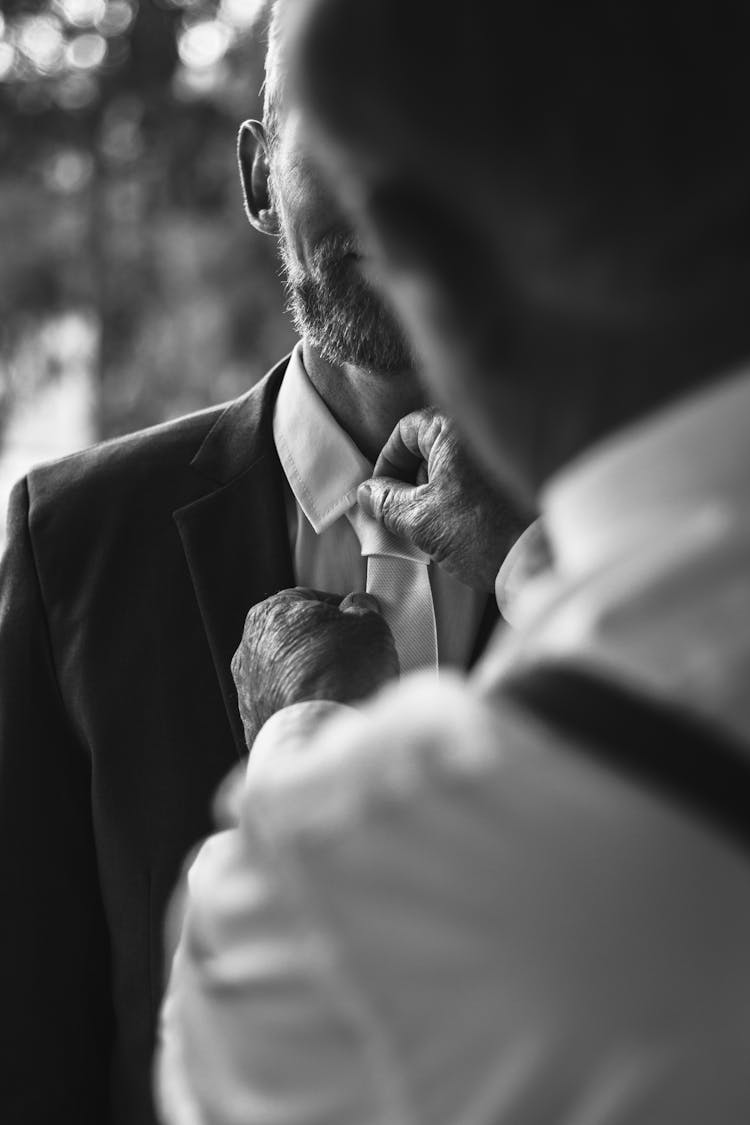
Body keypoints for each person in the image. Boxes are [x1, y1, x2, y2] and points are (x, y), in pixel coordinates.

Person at [156, 2, 750, 1123]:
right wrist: (535, 561)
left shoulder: (330, 890)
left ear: (420, 253)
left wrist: (299, 743)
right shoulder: (69, 534)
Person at [0, 3, 527, 1121]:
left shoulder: (624, 533)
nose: (391, 187)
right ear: (257, 175)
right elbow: (33, 1038)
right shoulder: (76, 540)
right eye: (339, 132)